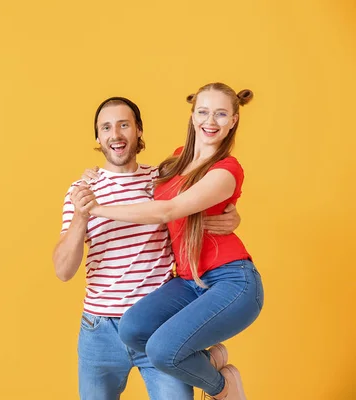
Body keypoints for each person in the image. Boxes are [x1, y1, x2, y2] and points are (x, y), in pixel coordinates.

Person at [76, 83, 264, 400]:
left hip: (231, 280)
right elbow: (135, 180)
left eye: (221, 114)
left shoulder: (227, 170)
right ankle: (209, 360)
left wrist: (94, 208)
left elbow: (168, 209)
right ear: (192, 115)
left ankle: (222, 388)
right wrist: (96, 177)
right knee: (133, 328)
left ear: (233, 120)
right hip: (189, 281)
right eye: (204, 112)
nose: (211, 121)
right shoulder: (176, 160)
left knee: (163, 350)